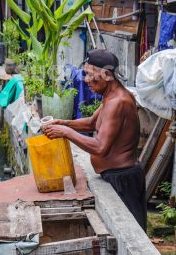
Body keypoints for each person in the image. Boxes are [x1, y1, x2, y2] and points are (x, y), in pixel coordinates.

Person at [43, 49, 146, 231]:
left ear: (106, 75)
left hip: (123, 179)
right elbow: (92, 123)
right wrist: (62, 122)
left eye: (91, 75)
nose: (86, 80)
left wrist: (66, 132)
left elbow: (100, 148)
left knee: (132, 231)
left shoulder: (118, 102)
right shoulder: (110, 96)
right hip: (114, 176)